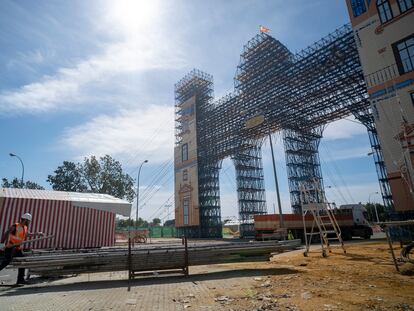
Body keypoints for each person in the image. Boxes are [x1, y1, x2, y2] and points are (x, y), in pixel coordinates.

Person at [0, 213, 44, 285]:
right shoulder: (16, 226)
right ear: (26, 220)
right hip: (11, 247)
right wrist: (1, 243)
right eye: (29, 221)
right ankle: (20, 279)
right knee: (6, 262)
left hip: (18, 248)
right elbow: (7, 233)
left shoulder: (25, 227)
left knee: (22, 262)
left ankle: (20, 280)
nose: (29, 223)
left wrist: (37, 233)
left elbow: (27, 234)